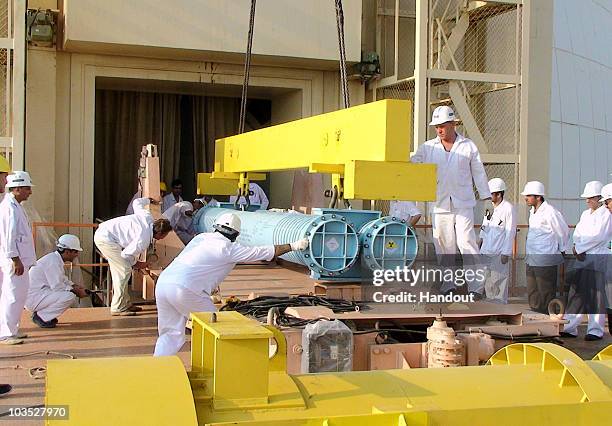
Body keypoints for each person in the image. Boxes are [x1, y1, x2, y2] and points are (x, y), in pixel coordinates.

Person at [153, 213, 309, 356]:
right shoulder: (228, 248)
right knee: (216, 326)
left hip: (163, 283)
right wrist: (294, 246)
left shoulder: (200, 238)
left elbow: (201, 264)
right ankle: (220, 365)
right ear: (235, 234)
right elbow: (263, 252)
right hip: (186, 289)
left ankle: (159, 366)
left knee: (170, 333)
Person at [411, 106, 491, 294]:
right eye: (436, 127)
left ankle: (476, 287)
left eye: (443, 126)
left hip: (463, 203)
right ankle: (449, 286)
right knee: (444, 246)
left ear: (453, 124)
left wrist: (486, 197)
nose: (439, 130)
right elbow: (413, 163)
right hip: (439, 204)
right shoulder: (428, 147)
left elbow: (478, 172)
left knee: (467, 243)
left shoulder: (468, 146)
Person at [94, 198, 172, 316]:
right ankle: (118, 307)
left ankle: (125, 303)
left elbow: (137, 203)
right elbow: (126, 254)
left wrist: (149, 200)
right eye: (165, 235)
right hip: (106, 239)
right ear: (160, 233)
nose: (164, 238)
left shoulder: (148, 217)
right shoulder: (143, 239)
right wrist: (138, 264)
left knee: (123, 270)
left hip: (106, 233)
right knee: (123, 271)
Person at [562, 181, 611, 341]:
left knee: (596, 294)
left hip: (597, 258)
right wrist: (576, 247)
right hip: (582, 257)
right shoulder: (585, 214)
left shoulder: (605, 214)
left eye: (591, 198)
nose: (587, 201)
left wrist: (581, 248)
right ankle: (570, 326)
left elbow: (598, 236)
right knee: (577, 292)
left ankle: (595, 329)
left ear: (599, 198)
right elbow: (578, 233)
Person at [522, 181, 570, 314]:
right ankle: (536, 318)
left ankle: (548, 322)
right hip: (531, 258)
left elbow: (563, 231)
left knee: (546, 293)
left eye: (529, 195)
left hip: (545, 259)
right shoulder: (532, 212)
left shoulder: (550, 212)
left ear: (538, 197)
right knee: (533, 292)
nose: (526, 198)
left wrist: (562, 249)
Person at [0, 171, 36, 345]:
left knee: (18, 295)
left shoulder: (15, 206)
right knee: (13, 295)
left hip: (19, 259)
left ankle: (11, 329)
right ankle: (6, 332)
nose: (30, 192)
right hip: (16, 260)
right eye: (27, 188)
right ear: (18, 189)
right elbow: (8, 237)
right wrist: (15, 260)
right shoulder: (8, 209)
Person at [26, 234, 88, 328]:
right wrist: (76, 291)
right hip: (34, 298)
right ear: (67, 251)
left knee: (68, 293)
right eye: (75, 251)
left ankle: (45, 315)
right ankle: (42, 317)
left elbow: (62, 279)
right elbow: (57, 286)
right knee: (69, 296)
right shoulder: (52, 262)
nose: (77, 254)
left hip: (38, 295)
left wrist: (74, 286)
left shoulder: (54, 260)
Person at [477, 178, 517, 303]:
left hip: (499, 253)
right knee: (488, 282)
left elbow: (510, 232)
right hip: (486, 251)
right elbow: (484, 227)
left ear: (498, 194)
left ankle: (500, 310)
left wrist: (506, 252)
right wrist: (479, 244)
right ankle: (490, 309)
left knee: (498, 281)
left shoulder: (508, 209)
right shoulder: (489, 208)